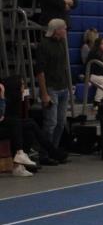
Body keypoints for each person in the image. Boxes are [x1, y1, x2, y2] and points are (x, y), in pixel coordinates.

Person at [35, 19, 72, 147]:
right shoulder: (44, 45)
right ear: (57, 30)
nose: (66, 31)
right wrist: (44, 93)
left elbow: (63, 66)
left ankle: (54, 149)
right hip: (51, 88)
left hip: (63, 87)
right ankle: (45, 151)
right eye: (64, 28)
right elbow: (40, 71)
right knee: (51, 123)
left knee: (61, 123)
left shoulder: (62, 43)